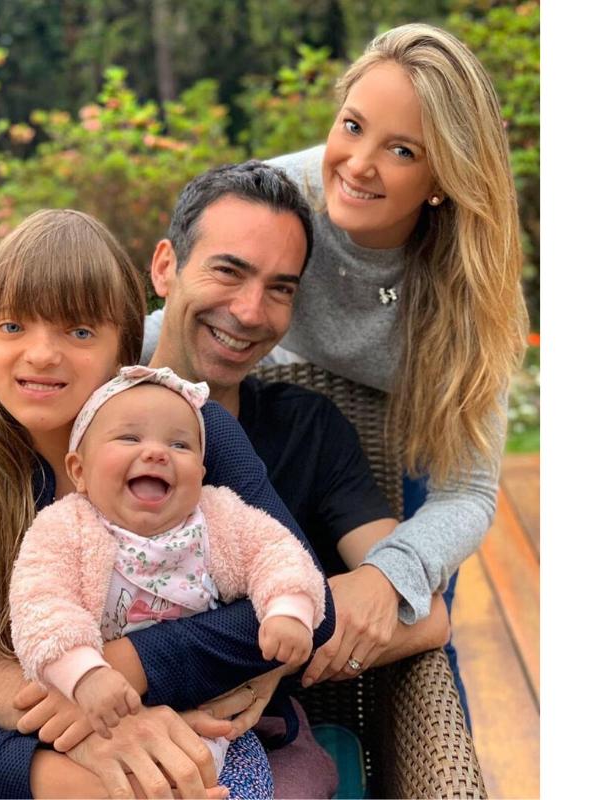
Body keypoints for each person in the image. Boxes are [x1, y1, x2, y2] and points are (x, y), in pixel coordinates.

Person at [146, 22, 528, 726]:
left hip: (408, 435)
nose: (357, 164)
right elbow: (191, 306)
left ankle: (433, 751)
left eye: (402, 150)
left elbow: (469, 490)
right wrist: (112, 381)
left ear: (443, 177)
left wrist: (387, 575)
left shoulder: (471, 286)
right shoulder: (291, 198)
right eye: (352, 126)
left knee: (417, 623)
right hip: (276, 400)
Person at [0, 208, 335, 799]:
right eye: (12, 326)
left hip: (211, 747)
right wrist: (72, 778)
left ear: (124, 348)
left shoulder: (189, 437)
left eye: (78, 332)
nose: (40, 354)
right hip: (54, 768)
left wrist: (122, 668)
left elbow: (309, 597)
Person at [140, 159, 451, 798]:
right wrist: (249, 648)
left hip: (254, 748)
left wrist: (275, 657)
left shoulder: (308, 430)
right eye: (229, 271)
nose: (250, 311)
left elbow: (425, 617)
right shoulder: (86, 420)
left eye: (280, 288)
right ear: (166, 267)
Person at [9, 366, 326, 795]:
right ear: (79, 470)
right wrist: (85, 675)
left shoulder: (217, 517)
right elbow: (40, 606)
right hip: (104, 723)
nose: (157, 453)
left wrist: (287, 609)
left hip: (210, 720)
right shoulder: (66, 528)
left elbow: (277, 552)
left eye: (179, 444)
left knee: (244, 785)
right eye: (129, 438)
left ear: (201, 471)